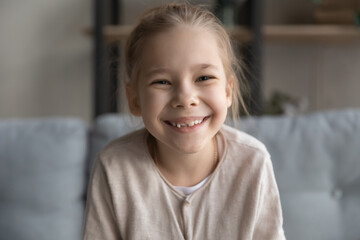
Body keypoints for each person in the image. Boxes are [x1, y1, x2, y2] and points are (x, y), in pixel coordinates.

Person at [83, 2, 285, 240]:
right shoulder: (113, 167)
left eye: (204, 77)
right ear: (134, 99)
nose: (185, 99)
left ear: (228, 91)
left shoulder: (253, 162)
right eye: (162, 82)